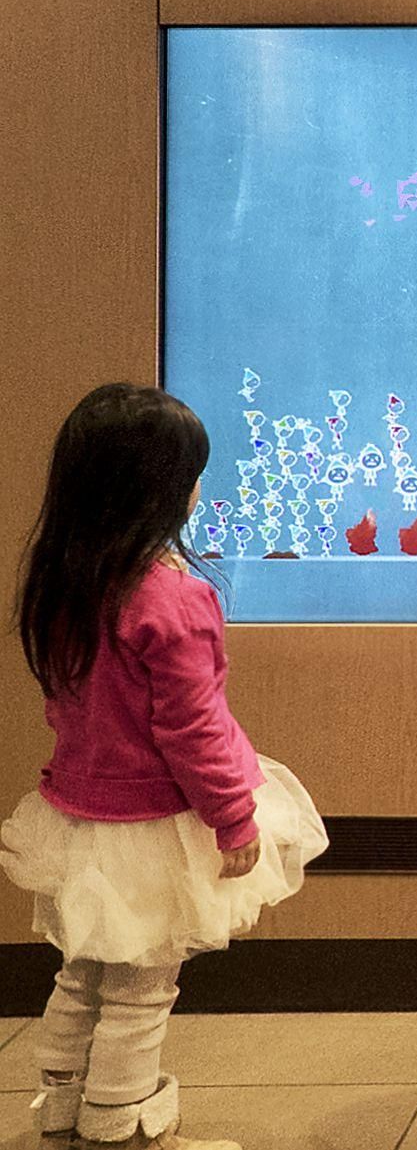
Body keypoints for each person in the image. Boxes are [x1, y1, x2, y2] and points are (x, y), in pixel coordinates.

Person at [3, 383, 327, 1149]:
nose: (198, 486)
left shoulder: (66, 584)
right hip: (155, 824)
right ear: (159, 489)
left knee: (83, 969)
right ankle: (120, 1128)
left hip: (81, 812)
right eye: (191, 472)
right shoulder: (170, 598)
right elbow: (192, 727)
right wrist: (233, 817)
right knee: (142, 984)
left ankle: (62, 1110)